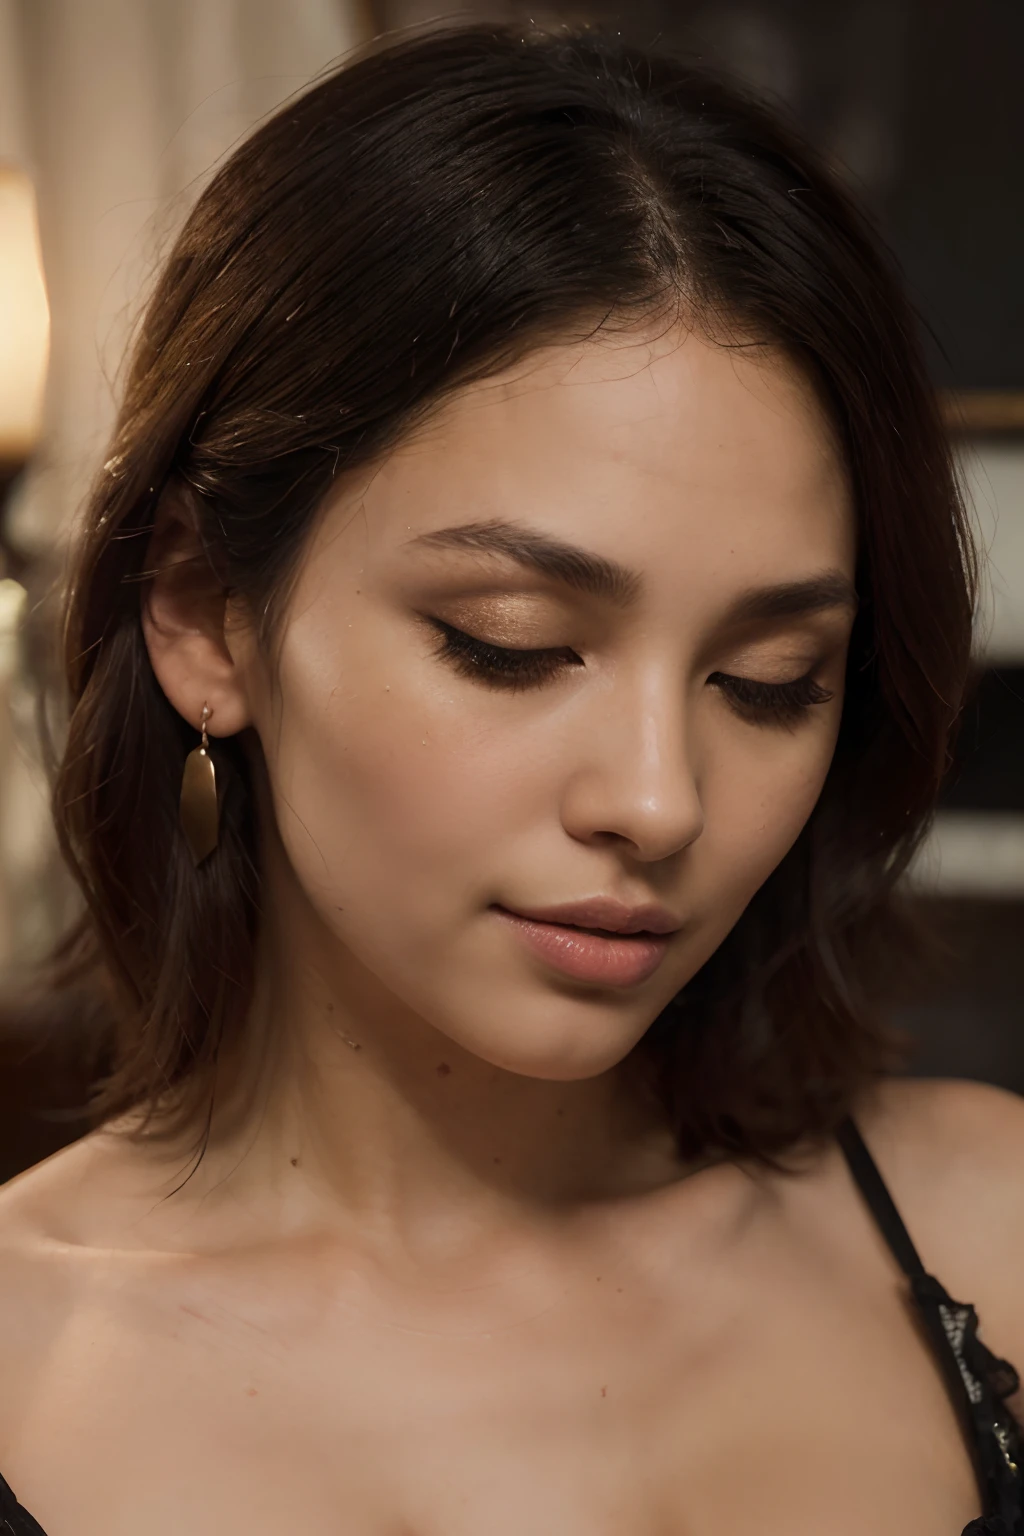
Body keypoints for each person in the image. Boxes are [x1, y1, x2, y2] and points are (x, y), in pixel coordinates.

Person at [0, 23, 1020, 1536]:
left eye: (770, 683)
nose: (662, 800)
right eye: (513, 646)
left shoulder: (987, 1230)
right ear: (210, 619)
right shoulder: (29, 1366)